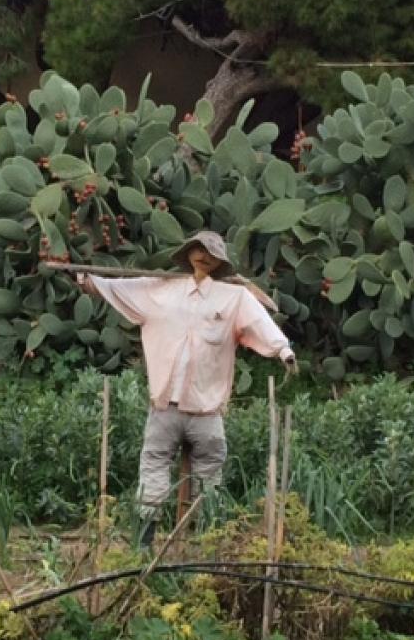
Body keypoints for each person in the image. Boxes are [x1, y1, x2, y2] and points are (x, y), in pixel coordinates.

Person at [76, 230, 296, 546]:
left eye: (210, 252)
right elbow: (117, 288)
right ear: (187, 254)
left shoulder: (233, 298)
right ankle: (144, 546)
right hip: (165, 406)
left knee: (209, 479)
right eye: (197, 250)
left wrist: (283, 351)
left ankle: (207, 543)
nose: (203, 256)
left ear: (220, 261)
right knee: (153, 471)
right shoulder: (160, 290)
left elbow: (261, 323)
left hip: (206, 411)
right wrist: (86, 280)